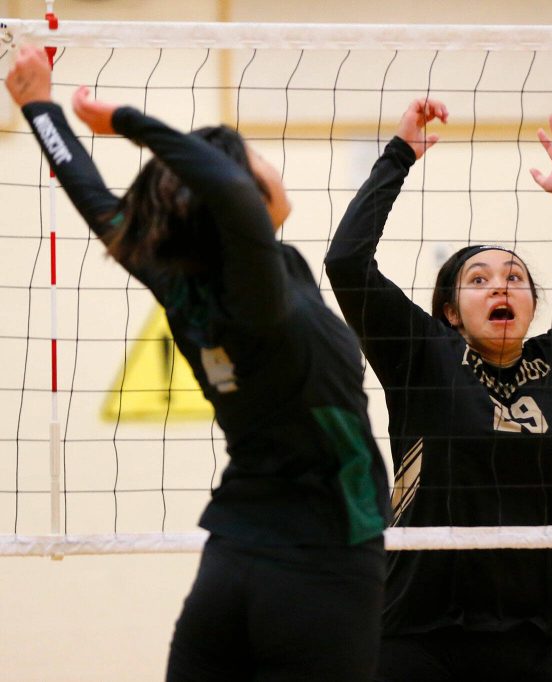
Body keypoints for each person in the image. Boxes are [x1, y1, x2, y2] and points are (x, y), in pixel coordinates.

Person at [6, 45, 391, 681]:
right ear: (236, 191)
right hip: (324, 559)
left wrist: (40, 108)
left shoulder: (179, 279)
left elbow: (95, 198)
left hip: (234, 555)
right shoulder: (258, 297)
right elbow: (232, 192)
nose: (270, 168)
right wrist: (127, 120)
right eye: (256, 160)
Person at [325, 98, 552, 681]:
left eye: (514, 278)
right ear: (451, 311)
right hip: (417, 632)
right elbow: (346, 263)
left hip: (526, 633)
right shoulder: (423, 356)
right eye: (477, 280)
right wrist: (398, 156)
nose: (499, 286)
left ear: (531, 303)